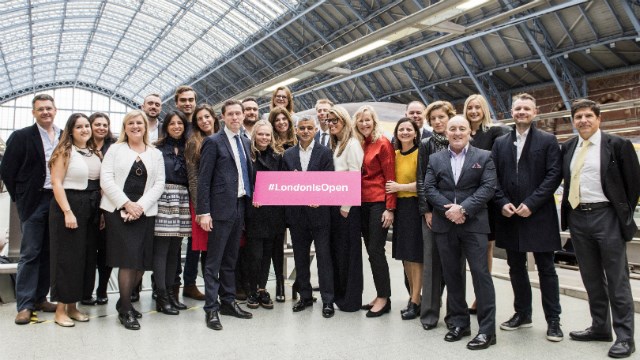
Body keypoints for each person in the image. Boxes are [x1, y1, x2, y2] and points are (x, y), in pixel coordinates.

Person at [561, 99, 639, 358]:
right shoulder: (570, 146)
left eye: (588, 116)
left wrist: (622, 215)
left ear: (598, 118)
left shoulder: (617, 145)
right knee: (591, 277)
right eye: (578, 117)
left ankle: (625, 337)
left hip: (606, 216)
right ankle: (600, 326)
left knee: (617, 279)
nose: (583, 120)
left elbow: (633, 184)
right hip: (578, 217)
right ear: (573, 121)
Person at [492, 93, 563, 341]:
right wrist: (501, 202)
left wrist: (531, 203)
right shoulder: (500, 143)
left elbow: (554, 175)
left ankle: (553, 321)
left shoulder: (548, 140)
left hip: (539, 214)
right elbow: (493, 177)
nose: (521, 112)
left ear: (535, 112)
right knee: (515, 267)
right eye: (518, 108)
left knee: (546, 269)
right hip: (510, 215)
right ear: (511, 112)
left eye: (526, 108)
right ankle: (522, 314)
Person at [425, 115, 497, 350]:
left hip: (473, 224)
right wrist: (449, 210)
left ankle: (487, 331)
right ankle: (458, 323)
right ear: (446, 132)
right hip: (445, 224)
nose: (457, 133)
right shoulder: (435, 159)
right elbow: (429, 187)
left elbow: (488, 187)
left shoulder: (484, 157)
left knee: (480, 275)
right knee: (452, 274)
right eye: (452, 129)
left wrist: (464, 209)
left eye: (462, 129)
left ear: (470, 133)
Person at [100, 110, 165, 330]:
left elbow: (159, 184)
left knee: (141, 263)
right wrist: (127, 204)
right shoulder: (115, 149)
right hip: (118, 211)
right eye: (131, 123)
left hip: (144, 212)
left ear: (146, 127)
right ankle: (126, 310)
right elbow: (106, 179)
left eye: (139, 123)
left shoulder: (155, 153)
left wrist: (140, 207)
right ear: (124, 127)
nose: (135, 126)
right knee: (128, 261)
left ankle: (123, 301)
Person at [1, 94, 60, 325]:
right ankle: (24, 305)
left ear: (55, 110)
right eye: (40, 109)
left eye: (49, 108)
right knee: (30, 253)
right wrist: (20, 198)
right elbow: (7, 170)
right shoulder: (21, 136)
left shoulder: (64, 136)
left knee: (48, 252)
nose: (45, 112)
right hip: (33, 203)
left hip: (57, 201)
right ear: (33, 112)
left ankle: (39, 298)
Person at [197, 99, 254, 331]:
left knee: (231, 260)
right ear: (222, 117)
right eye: (230, 114)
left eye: (238, 114)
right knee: (214, 262)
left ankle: (228, 302)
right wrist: (204, 211)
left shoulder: (244, 141)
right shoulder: (213, 142)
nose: (235, 117)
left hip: (239, 207)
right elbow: (203, 179)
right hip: (219, 210)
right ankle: (211, 308)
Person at [48, 113, 102, 327]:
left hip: (91, 206)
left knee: (85, 258)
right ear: (70, 130)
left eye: (86, 126)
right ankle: (60, 309)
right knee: (67, 258)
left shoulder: (92, 152)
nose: (84, 129)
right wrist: (68, 212)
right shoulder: (64, 151)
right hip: (70, 204)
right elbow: (56, 183)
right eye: (79, 126)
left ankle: (73, 306)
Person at [283, 116, 336, 318]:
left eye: (309, 128)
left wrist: (320, 197)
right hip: (297, 216)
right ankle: (305, 296)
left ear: (315, 130)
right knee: (300, 258)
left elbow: (329, 181)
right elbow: (283, 186)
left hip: (320, 214)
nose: (305, 131)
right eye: (302, 128)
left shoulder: (325, 153)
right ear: (296, 130)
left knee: (324, 258)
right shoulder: (287, 155)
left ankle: (327, 300)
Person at [464, 94, 509, 314]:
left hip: (485, 201)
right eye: (469, 107)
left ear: (484, 110)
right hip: (461, 199)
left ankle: (480, 297)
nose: (473, 111)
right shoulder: (461, 132)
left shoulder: (495, 133)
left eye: (477, 107)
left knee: (484, 250)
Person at [416, 100, 456, 330]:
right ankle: (429, 313)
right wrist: (426, 211)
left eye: (442, 117)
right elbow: (421, 179)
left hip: (457, 212)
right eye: (434, 119)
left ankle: (454, 313)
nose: (438, 122)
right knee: (431, 263)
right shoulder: (425, 144)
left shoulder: (460, 141)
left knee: (454, 265)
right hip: (433, 212)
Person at [353, 105, 395, 318]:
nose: (364, 124)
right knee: (371, 251)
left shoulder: (383, 143)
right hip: (360, 202)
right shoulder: (358, 143)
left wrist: (390, 208)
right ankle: (380, 294)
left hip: (378, 202)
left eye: (367, 120)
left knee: (376, 251)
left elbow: (390, 176)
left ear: (374, 121)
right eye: (360, 121)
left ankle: (384, 298)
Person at [153, 111, 193, 315]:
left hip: (183, 198)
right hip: (163, 197)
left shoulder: (189, 147)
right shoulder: (157, 148)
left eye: (180, 123)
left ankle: (170, 294)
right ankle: (160, 296)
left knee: (174, 251)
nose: (177, 126)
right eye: (172, 123)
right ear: (166, 126)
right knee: (161, 250)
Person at [328, 105, 364, 313]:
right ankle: (339, 294)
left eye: (336, 121)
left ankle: (350, 300)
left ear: (344, 121)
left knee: (349, 254)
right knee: (339, 253)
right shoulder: (338, 144)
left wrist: (346, 206)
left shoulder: (352, 144)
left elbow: (354, 176)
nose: (332, 124)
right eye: (329, 121)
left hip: (347, 209)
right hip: (336, 206)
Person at [245, 120, 284, 310]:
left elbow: (283, 182)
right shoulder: (248, 157)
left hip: (272, 214)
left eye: (267, 135)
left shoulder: (278, 157)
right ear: (254, 136)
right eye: (260, 134)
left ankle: (262, 289)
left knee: (267, 254)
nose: (264, 138)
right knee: (254, 255)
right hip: (254, 213)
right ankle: (251, 289)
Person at [386, 118, 422, 320]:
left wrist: (400, 188)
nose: (405, 132)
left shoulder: (420, 153)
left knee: (415, 256)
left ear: (415, 133)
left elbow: (423, 183)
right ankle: (413, 296)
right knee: (405, 257)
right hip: (400, 209)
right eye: (402, 129)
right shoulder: (395, 155)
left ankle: (416, 300)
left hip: (414, 207)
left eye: (409, 129)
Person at [183, 104, 219, 301]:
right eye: (200, 119)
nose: (205, 121)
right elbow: (193, 178)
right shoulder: (193, 142)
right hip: (201, 202)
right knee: (200, 246)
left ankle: (214, 286)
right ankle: (195, 285)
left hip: (220, 200)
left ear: (214, 117)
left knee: (216, 246)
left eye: (207, 117)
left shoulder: (222, 138)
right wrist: (200, 209)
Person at [267, 106, 296, 302]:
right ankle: (279, 282)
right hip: (277, 201)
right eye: (277, 120)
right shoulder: (268, 144)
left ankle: (299, 283)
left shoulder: (298, 142)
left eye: (284, 119)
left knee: (299, 243)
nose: (281, 123)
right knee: (276, 244)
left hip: (296, 201)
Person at [88, 112, 116, 306]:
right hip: (87, 202)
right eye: (97, 124)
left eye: (104, 125)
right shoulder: (82, 145)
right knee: (88, 250)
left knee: (106, 250)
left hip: (108, 203)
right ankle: (86, 290)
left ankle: (102, 289)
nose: (101, 128)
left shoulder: (114, 147)